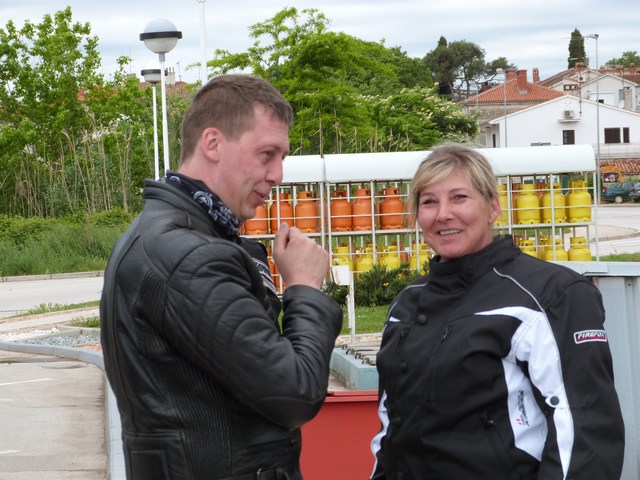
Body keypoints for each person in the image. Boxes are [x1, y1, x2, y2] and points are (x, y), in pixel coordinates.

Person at [100, 74, 343, 480]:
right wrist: (304, 288)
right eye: (267, 154)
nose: (278, 174)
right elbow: (294, 393)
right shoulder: (189, 256)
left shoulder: (172, 237)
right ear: (212, 143)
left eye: (282, 157)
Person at [370, 145, 625, 479]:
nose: (443, 214)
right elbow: (390, 429)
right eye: (429, 201)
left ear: (493, 207)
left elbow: (584, 433)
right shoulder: (406, 303)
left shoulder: (551, 294)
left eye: (459, 197)